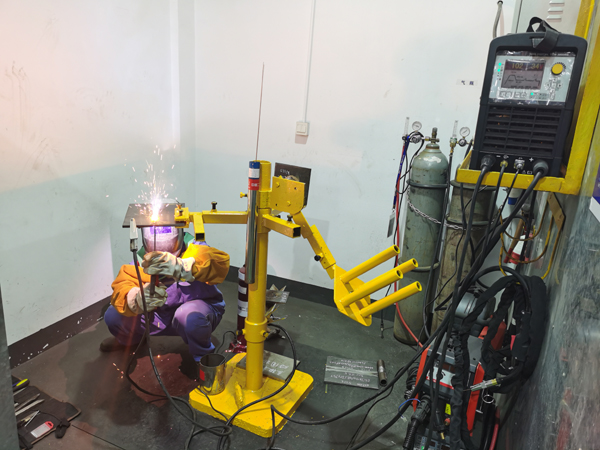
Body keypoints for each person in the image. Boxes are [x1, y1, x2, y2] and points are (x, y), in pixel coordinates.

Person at [100, 226, 230, 365]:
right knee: (113, 316)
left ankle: (203, 356)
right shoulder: (141, 260)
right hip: (159, 318)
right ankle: (131, 341)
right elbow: (122, 287)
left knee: (190, 317)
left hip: (194, 316)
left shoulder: (195, 248)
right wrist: (136, 298)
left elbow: (219, 264)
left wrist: (184, 267)